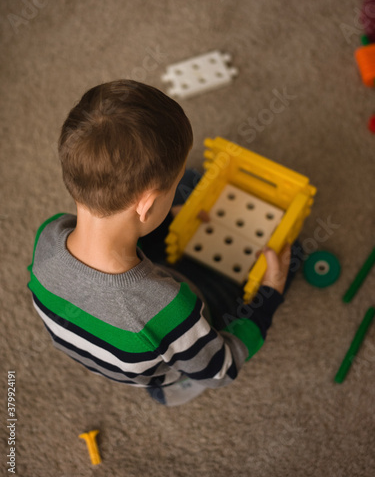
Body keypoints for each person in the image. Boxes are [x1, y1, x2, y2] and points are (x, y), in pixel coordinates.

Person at [27, 79, 298, 407]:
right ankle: (169, 385)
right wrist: (270, 294)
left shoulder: (49, 234)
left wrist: (168, 214)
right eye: (169, 192)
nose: (174, 194)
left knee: (189, 186)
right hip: (161, 350)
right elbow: (221, 369)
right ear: (147, 204)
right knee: (289, 257)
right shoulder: (171, 306)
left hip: (108, 346)